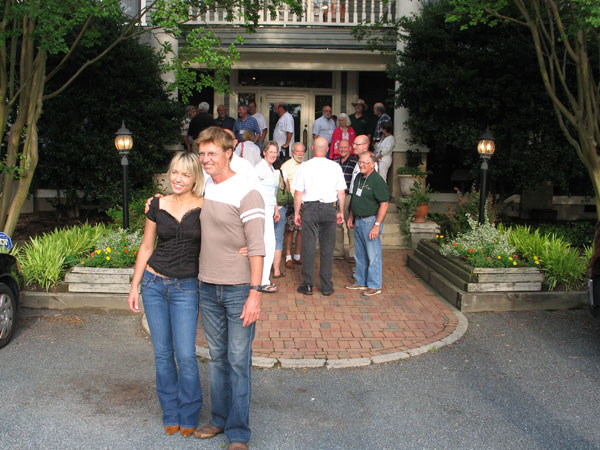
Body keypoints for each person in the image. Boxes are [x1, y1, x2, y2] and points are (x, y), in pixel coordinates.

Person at [193, 127, 265, 450]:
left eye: (211, 154)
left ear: (228, 154)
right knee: (217, 357)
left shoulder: (247, 190)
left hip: (238, 289)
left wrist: (255, 292)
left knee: (238, 360)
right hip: (207, 287)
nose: (205, 159)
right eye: (202, 153)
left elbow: (258, 246)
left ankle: (238, 432)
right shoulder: (206, 185)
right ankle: (218, 419)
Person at [128, 152, 205, 438]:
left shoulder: (205, 206)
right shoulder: (157, 205)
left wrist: (243, 249)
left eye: (185, 174)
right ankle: (170, 411)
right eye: (174, 172)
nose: (178, 179)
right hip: (154, 284)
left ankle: (189, 412)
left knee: (185, 354)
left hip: (186, 287)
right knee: (162, 354)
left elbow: (222, 237)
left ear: (195, 178)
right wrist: (135, 285)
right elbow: (147, 247)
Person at [292, 137, 346, 296]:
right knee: (327, 248)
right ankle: (326, 285)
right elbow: (341, 192)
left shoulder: (304, 167)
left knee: (308, 247)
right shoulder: (335, 167)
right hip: (329, 208)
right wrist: (341, 211)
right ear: (328, 149)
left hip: (310, 208)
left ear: (313, 148)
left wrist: (296, 212)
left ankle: (308, 284)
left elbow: (298, 193)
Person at [346, 151, 389, 296]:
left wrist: (376, 225)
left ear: (373, 164)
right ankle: (361, 281)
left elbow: (384, 204)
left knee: (373, 254)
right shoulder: (359, 177)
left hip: (370, 220)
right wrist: (351, 215)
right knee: (360, 254)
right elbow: (355, 198)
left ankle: (374, 285)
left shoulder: (377, 181)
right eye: (360, 162)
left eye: (364, 163)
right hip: (358, 220)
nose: (361, 165)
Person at [254, 141, 282, 293]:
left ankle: (263, 278)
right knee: (268, 243)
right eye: (270, 151)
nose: (273, 155)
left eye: (275, 152)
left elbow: (273, 192)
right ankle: (262, 280)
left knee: (269, 243)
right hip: (261, 209)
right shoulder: (259, 168)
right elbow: (254, 190)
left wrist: (276, 209)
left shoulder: (273, 169)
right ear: (264, 152)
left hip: (270, 208)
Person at [281, 142, 305, 269]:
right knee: (290, 230)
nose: (300, 154)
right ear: (292, 152)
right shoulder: (286, 166)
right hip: (291, 203)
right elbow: (283, 185)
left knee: (301, 230)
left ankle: (297, 255)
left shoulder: (307, 166)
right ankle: (288, 256)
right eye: (298, 151)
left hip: (304, 202)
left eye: (302, 151)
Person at [333, 139, 358, 260]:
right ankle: (338, 252)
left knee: (350, 224)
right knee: (337, 226)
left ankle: (353, 253)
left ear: (350, 148)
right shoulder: (334, 162)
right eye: (340, 148)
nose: (342, 150)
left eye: (345, 147)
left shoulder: (355, 162)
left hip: (348, 197)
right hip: (335, 197)